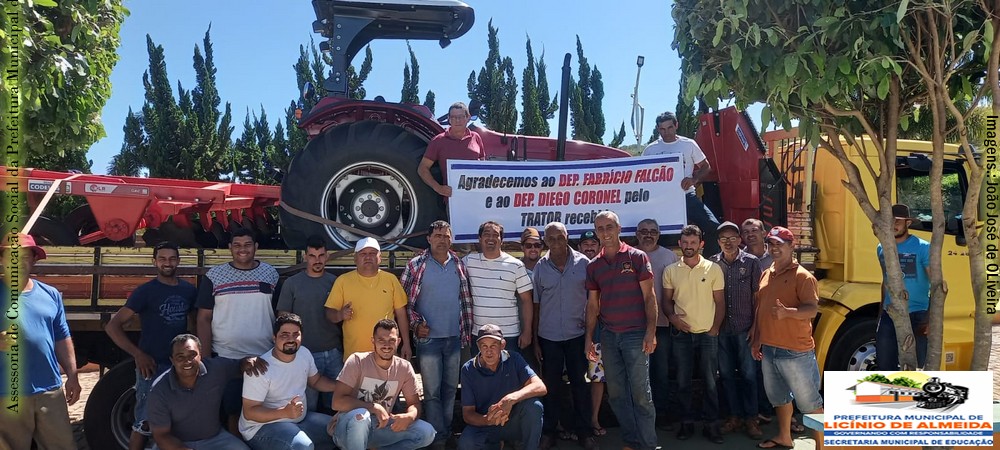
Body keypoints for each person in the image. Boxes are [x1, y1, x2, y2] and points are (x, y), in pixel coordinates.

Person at [105, 241, 198, 450]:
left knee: (176, 421)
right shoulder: (145, 291)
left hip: (180, 366)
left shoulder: (188, 290)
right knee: (144, 421)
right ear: (154, 261)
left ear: (178, 261)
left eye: (172, 259)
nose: (167, 263)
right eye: (162, 259)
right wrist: (138, 354)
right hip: (152, 366)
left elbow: (194, 324)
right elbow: (113, 326)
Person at [584, 211, 658, 450]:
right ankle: (631, 441)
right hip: (608, 336)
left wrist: (651, 332)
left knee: (641, 394)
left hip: (636, 335)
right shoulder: (594, 266)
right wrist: (588, 339)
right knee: (616, 395)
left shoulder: (637, 257)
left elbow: (649, 297)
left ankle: (648, 444)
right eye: (600, 228)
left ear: (619, 228)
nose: (605, 232)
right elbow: (593, 305)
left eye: (609, 227)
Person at [0, 234, 80, 449]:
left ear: (34, 259)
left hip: (49, 390)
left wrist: (72, 375)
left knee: (63, 445)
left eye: (24, 256)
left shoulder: (50, 294)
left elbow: (62, 337)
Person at [196, 228, 279, 431]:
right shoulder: (214, 276)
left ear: (256, 247)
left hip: (264, 357)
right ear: (229, 248)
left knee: (263, 409)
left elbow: (279, 315)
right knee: (232, 411)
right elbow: (204, 318)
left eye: (248, 244)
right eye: (237, 245)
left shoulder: (271, 274)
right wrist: (205, 359)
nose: (243, 249)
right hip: (227, 358)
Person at [401, 220, 474, 449]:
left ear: (451, 239)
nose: (442, 240)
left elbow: (465, 300)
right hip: (428, 340)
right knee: (432, 392)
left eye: (446, 236)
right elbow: (403, 302)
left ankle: (445, 430)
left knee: (450, 389)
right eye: (438, 235)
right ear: (429, 239)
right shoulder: (416, 265)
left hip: (454, 337)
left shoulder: (459, 264)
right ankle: (438, 438)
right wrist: (415, 324)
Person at [751, 226, 824, 450]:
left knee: (809, 403)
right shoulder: (767, 272)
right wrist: (757, 338)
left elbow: (812, 309)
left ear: (792, 246)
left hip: (796, 351)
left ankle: (822, 446)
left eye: (779, 244)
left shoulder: (803, 276)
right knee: (779, 398)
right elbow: (761, 308)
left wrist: (788, 313)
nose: (774, 248)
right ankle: (784, 436)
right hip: (769, 348)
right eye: (771, 244)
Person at [531, 222, 598, 450]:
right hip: (548, 337)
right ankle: (549, 432)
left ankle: (584, 433)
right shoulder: (540, 268)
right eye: (551, 239)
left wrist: (589, 333)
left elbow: (593, 302)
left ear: (567, 237)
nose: (556, 242)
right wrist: (536, 341)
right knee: (551, 386)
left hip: (577, 335)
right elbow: (536, 306)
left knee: (580, 385)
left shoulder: (584, 264)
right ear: (545, 241)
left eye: (560, 237)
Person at [330, 319, 436, 450]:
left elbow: (414, 404)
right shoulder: (357, 361)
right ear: (373, 341)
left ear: (398, 341)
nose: (386, 345)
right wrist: (373, 407)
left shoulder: (404, 367)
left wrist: (410, 416)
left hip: (380, 426)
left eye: (391, 340)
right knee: (361, 416)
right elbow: (337, 402)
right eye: (381, 340)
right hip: (347, 427)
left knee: (426, 432)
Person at [662, 224, 725, 444]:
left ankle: (712, 425)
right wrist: (673, 318)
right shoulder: (671, 270)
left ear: (701, 244)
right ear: (680, 243)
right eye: (685, 242)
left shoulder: (713, 268)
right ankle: (686, 423)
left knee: (710, 382)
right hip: (682, 335)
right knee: (682, 382)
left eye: (693, 242)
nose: (689, 246)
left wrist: (715, 329)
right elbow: (666, 301)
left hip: (707, 334)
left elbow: (720, 302)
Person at [147, 334, 266, 450]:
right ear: (172, 360)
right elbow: (161, 435)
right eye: (180, 357)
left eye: (192, 355)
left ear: (200, 355)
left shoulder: (215, 368)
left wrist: (249, 361)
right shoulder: (159, 390)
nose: (187, 361)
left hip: (215, 439)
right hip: (176, 444)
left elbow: (239, 365)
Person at [239, 313, 337, 449]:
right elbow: (250, 412)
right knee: (303, 446)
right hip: (261, 428)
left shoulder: (304, 353)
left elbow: (316, 381)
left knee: (340, 428)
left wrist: (344, 386)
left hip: (298, 420)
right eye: (284, 335)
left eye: (296, 334)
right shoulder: (259, 368)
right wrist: (284, 413)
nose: (291, 339)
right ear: (274, 338)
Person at [708, 222, 763, 440]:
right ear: (718, 242)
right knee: (727, 376)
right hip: (721, 330)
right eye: (723, 239)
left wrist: (756, 328)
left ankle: (752, 418)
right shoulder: (712, 263)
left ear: (740, 240)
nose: (728, 242)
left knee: (749, 375)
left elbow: (758, 298)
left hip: (745, 329)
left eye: (732, 238)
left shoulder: (751, 262)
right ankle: (734, 417)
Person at [276, 235, 341, 413]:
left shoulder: (336, 282)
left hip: (334, 353)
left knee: (336, 406)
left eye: (321, 255)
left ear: (327, 256)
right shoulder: (292, 284)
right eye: (312, 256)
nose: (317, 260)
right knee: (307, 407)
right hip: (305, 354)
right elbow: (283, 319)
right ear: (305, 257)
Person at [642, 111, 721, 255]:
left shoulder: (688, 144)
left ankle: (709, 263)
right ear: (658, 129)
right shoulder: (650, 150)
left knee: (714, 227)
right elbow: (641, 175)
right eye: (662, 129)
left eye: (670, 128)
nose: (666, 133)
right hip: (660, 200)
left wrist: (694, 180)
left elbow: (706, 166)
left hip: (686, 196)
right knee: (656, 234)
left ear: (676, 125)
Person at [459, 324, 547, 450]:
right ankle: (496, 444)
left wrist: (511, 399)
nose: (488, 351)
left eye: (493, 346)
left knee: (534, 406)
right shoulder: (468, 369)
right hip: (486, 422)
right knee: (466, 444)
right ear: (478, 347)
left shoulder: (514, 358)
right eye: (484, 346)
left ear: (502, 345)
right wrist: (489, 420)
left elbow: (540, 386)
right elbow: (467, 414)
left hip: (512, 419)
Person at [325, 237, 411, 361]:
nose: (368, 257)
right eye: (363, 254)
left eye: (372, 253)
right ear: (355, 258)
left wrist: (406, 344)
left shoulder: (391, 280)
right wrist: (340, 315)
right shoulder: (343, 281)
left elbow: (401, 314)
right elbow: (329, 313)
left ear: (380, 257)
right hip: (355, 357)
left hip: (385, 355)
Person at [463, 221, 534, 355]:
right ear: (479, 238)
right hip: (480, 334)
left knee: (508, 369)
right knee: (480, 369)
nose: (491, 238)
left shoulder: (515, 265)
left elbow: (526, 300)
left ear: (501, 240)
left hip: (508, 335)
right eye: (486, 234)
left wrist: (527, 332)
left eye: (495, 235)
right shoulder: (468, 262)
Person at [634, 218, 678, 428]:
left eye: (653, 231)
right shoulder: (630, 255)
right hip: (634, 325)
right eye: (644, 231)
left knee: (660, 372)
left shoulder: (669, 256)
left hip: (661, 324)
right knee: (637, 374)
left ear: (659, 235)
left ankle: (660, 415)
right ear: (637, 234)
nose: (648, 235)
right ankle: (639, 417)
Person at [876, 204, 931, 370]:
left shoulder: (923, 247)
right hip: (890, 313)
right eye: (890, 220)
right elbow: (885, 280)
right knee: (885, 366)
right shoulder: (881, 248)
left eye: (898, 221)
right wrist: (880, 313)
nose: (893, 224)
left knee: (917, 367)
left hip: (919, 315)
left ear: (908, 223)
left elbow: (936, 284)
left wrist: (931, 319)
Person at [740, 218, 775, 425]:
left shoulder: (776, 257)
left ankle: (784, 415)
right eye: (746, 232)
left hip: (774, 321)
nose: (750, 234)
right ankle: (760, 411)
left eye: (754, 230)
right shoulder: (740, 259)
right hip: (749, 323)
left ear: (764, 233)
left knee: (777, 368)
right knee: (754, 371)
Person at [418, 101, 485, 198]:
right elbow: (422, 168)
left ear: (468, 117)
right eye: (453, 117)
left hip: (476, 197)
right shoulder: (438, 141)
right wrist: (438, 188)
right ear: (449, 119)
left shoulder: (476, 138)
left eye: (461, 117)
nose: (457, 120)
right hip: (453, 199)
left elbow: (483, 167)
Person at [576, 229, 605, 436]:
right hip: (572, 333)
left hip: (598, 332)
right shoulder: (572, 265)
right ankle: (571, 422)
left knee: (597, 377)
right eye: (585, 244)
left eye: (593, 243)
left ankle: (594, 419)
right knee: (574, 378)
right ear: (579, 247)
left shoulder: (604, 266)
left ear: (599, 246)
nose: (589, 247)